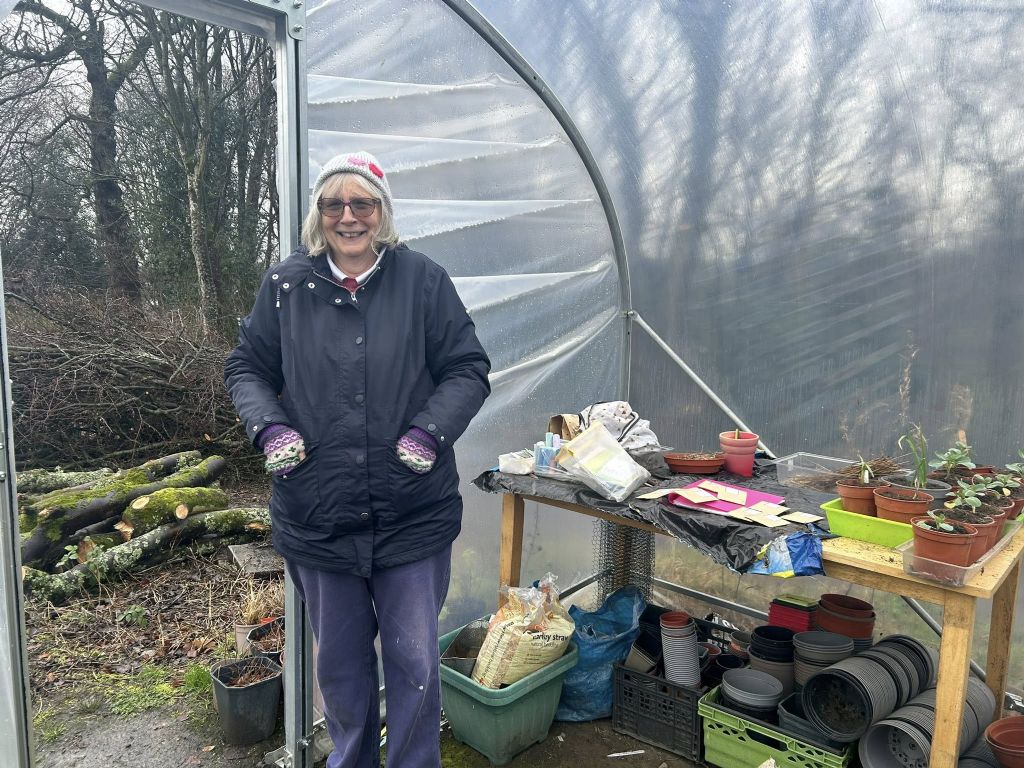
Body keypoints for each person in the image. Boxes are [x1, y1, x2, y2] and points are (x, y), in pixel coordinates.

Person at [224, 151, 491, 768]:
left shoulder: (422, 280)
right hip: (318, 513)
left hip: (410, 513)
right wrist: (269, 429)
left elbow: (467, 368)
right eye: (333, 204)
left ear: (382, 211)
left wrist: (430, 432)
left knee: (416, 663)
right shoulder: (286, 287)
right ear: (319, 215)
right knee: (341, 669)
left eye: (362, 203)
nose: (348, 216)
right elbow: (247, 367)